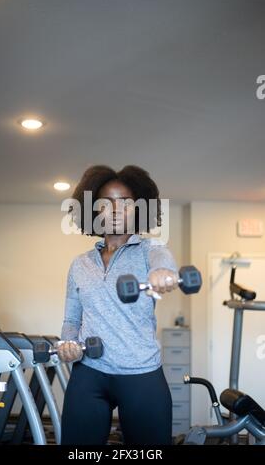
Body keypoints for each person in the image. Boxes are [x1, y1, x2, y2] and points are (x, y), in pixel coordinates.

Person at [58, 165, 179, 445]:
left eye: (125, 202)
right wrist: (68, 344)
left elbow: (164, 264)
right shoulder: (80, 264)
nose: (115, 210)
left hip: (140, 371)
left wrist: (162, 275)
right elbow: (72, 320)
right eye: (106, 203)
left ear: (138, 209)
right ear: (94, 211)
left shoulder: (151, 250)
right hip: (89, 371)